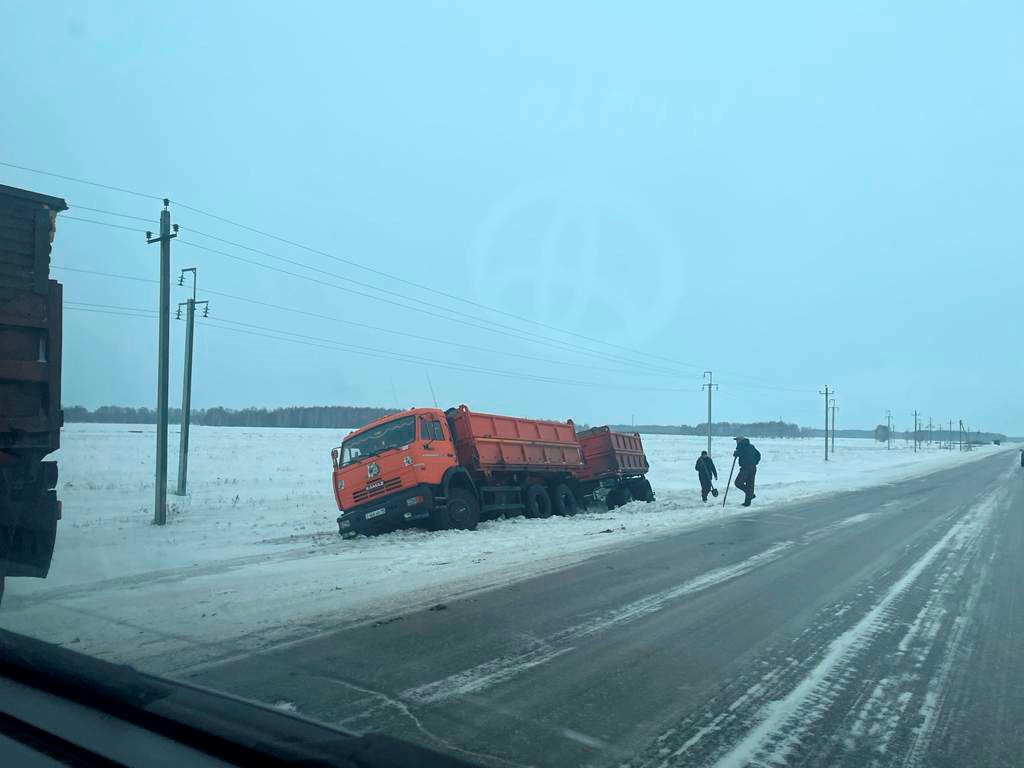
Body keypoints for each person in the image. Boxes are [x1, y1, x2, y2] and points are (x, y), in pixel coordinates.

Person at [733, 437, 761, 507]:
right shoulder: (751, 446)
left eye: (737, 440)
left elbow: (738, 453)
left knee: (738, 482)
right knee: (750, 484)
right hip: (753, 467)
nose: (736, 442)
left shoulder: (741, 446)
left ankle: (750, 494)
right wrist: (755, 462)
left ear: (741, 441)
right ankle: (747, 503)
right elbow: (758, 455)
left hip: (746, 468)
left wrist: (736, 453)